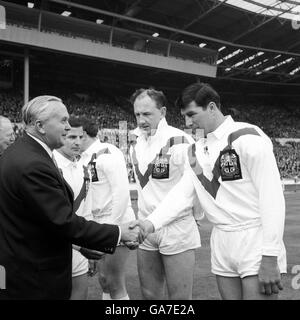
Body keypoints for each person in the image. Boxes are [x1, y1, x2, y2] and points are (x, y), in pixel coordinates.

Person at [133, 83, 287, 300]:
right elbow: (184, 192)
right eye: (184, 117)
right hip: (222, 240)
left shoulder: (248, 137)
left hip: (254, 238)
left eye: (192, 114)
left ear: (212, 107)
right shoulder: (195, 149)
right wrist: (150, 223)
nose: (187, 123)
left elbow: (272, 198)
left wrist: (270, 255)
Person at [0, 95, 140, 300]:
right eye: (63, 120)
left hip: (24, 265)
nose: (68, 127)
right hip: (33, 276)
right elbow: (61, 221)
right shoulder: (32, 163)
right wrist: (118, 233)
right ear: (40, 125)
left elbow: (42, 219)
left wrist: (81, 245)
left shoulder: (23, 153)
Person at [129, 88, 201, 300]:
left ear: (162, 112)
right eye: (137, 114)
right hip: (146, 227)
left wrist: (197, 217)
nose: (141, 120)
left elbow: (194, 185)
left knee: (179, 300)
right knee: (149, 295)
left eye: (147, 114)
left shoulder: (182, 141)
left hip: (176, 227)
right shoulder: (135, 142)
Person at [80, 118, 135, 300]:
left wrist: (111, 229)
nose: (68, 140)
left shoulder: (107, 152)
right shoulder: (83, 157)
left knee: (114, 282)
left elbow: (121, 192)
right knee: (103, 280)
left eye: (74, 136)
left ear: (85, 135)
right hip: (97, 222)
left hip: (115, 221)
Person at [53, 117, 94, 300]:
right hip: (54, 248)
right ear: (61, 137)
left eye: (80, 137)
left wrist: (91, 244)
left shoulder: (85, 168)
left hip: (80, 248)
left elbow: (87, 210)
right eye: (71, 137)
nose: (78, 142)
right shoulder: (49, 167)